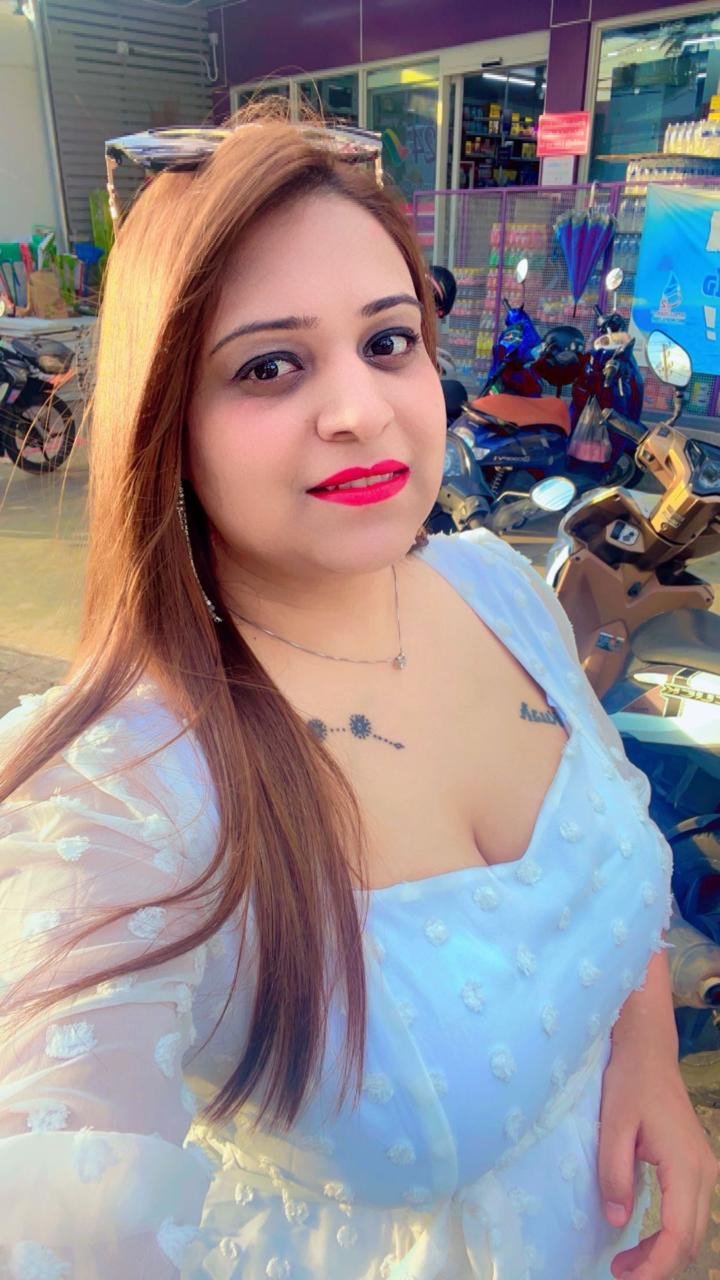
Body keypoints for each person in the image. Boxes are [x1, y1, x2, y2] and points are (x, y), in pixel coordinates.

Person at [0, 102, 715, 1280]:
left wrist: (650, 1064)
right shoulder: (122, 787)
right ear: (165, 418)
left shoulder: (499, 589)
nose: (361, 409)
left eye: (388, 341)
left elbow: (611, 869)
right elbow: (53, 1181)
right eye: (269, 364)